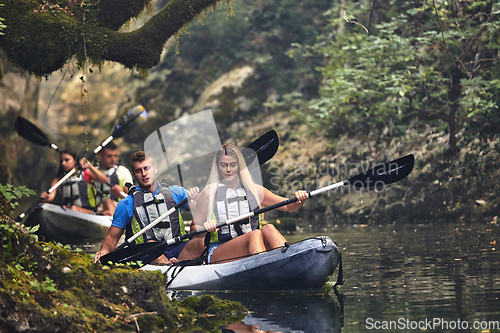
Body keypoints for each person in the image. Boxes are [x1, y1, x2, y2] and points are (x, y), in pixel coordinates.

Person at [191, 143, 308, 264]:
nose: (228, 170)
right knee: (255, 234)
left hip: (251, 246)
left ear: (239, 166)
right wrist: (205, 228)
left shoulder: (254, 190)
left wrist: (299, 199)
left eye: (233, 165)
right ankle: (266, 268)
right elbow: (194, 229)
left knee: (268, 228)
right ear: (217, 167)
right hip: (220, 250)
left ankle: (291, 263)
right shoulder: (209, 193)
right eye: (223, 165)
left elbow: (289, 206)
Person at [94, 151, 205, 265]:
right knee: (151, 247)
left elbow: (202, 208)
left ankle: (179, 264)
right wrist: (104, 251)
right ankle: (170, 266)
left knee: (201, 244)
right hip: (148, 254)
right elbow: (112, 237)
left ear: (155, 169)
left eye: (147, 168)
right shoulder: (126, 204)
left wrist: (196, 198)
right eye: (138, 170)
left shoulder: (177, 192)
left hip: (178, 248)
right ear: (133, 174)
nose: (144, 174)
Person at [41, 147, 110, 214]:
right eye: (61, 161)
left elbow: (105, 180)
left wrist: (90, 167)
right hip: (67, 212)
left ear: (74, 161)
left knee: (73, 208)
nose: (63, 163)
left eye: (67, 160)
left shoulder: (86, 173)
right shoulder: (58, 179)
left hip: (89, 213)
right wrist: (46, 197)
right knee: (69, 208)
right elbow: (50, 197)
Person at [92, 141, 133, 216]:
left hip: (116, 209)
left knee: (107, 201)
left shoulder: (122, 171)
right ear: (100, 156)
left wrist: (121, 194)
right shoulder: (92, 171)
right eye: (109, 156)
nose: (113, 159)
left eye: (115, 156)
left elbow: (131, 198)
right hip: (95, 211)